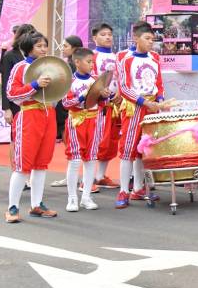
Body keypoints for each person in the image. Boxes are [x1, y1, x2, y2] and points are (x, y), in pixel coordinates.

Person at [4, 31, 59, 223]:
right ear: (28, 48)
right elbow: (11, 94)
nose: (44, 49)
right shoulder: (20, 67)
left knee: (41, 163)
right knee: (23, 165)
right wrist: (35, 84)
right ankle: (12, 207)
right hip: (28, 116)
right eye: (39, 46)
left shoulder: (51, 66)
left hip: (48, 115)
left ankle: (37, 205)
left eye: (45, 45)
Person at [116, 21, 170, 209]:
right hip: (134, 107)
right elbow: (124, 88)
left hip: (152, 106)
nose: (150, 42)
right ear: (136, 38)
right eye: (147, 38)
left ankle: (138, 188)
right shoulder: (125, 58)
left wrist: (160, 100)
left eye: (152, 39)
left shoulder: (155, 57)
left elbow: (159, 82)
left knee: (144, 148)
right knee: (128, 149)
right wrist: (145, 103)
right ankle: (124, 190)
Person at [62, 48, 106, 212]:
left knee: (91, 159)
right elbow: (66, 103)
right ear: (77, 62)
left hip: (94, 121)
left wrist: (104, 95)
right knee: (75, 160)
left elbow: (102, 103)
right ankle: (72, 198)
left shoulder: (96, 80)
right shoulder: (69, 81)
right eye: (88, 62)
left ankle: (86, 197)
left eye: (92, 62)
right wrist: (82, 97)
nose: (91, 65)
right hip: (76, 121)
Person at [91, 23, 121, 190]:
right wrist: (101, 92)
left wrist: (120, 94)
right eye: (103, 34)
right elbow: (91, 79)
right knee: (96, 141)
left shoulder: (117, 57)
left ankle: (100, 176)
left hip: (114, 106)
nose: (108, 37)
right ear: (94, 38)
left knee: (110, 141)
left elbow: (121, 79)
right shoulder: (92, 56)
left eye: (109, 34)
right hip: (98, 106)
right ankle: (87, 178)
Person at [1, 24, 36, 127]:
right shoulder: (10, 55)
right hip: (16, 103)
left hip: (35, 102)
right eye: (26, 35)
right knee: (17, 131)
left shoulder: (37, 56)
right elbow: (5, 82)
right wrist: (6, 108)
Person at [54, 36, 82, 147]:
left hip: (71, 105)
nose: (62, 48)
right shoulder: (67, 64)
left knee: (72, 141)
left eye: (65, 46)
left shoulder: (73, 65)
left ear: (75, 48)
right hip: (67, 104)